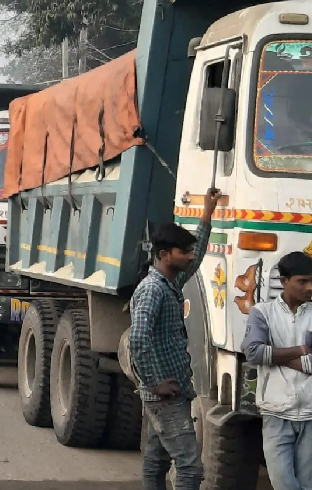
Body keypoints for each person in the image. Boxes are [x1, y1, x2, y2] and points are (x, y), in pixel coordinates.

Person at [129, 187, 219, 490]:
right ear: (165, 255)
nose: (190, 256)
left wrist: (207, 212)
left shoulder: (170, 282)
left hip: (169, 392)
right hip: (165, 396)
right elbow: (138, 339)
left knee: (156, 463)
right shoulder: (153, 289)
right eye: (184, 251)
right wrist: (155, 383)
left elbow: (198, 258)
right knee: (191, 468)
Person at [242, 251, 312, 490]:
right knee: (283, 483)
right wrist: (300, 349)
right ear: (284, 281)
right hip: (276, 411)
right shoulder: (262, 313)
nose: (310, 287)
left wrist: (273, 355)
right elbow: (253, 352)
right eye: (302, 281)